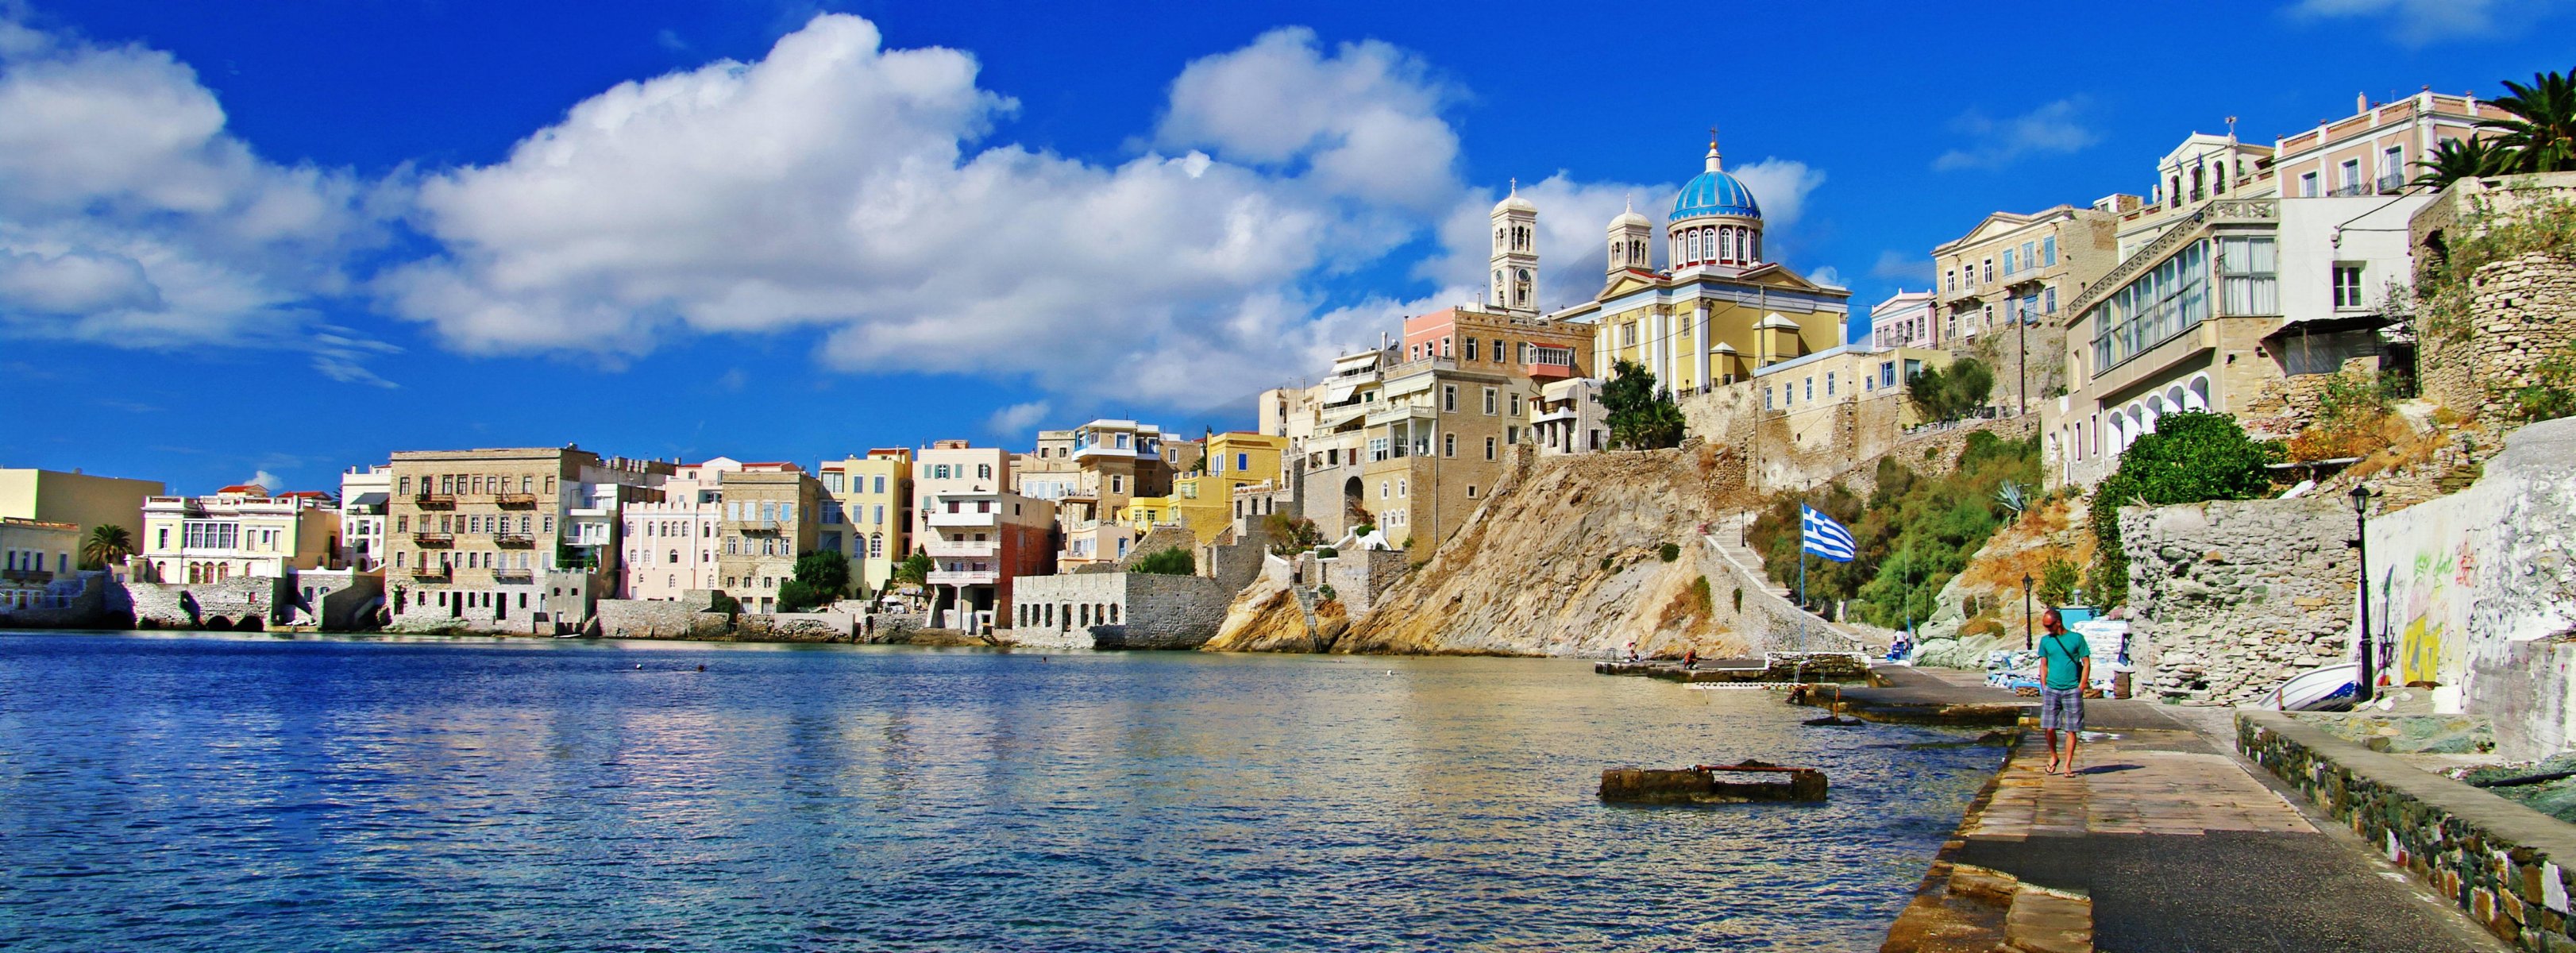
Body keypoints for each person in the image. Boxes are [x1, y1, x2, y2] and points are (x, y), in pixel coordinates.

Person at [2036, 608, 2089, 776]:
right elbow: (2043, 664)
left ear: (2058, 622)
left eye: (2049, 626)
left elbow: (2086, 662)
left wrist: (2082, 685)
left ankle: (2067, 766)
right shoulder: (2046, 641)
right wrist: (2043, 684)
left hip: (2072, 689)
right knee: (2049, 728)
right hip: (2052, 689)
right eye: (2045, 626)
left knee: (2071, 729)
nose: (2047, 629)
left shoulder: (2077, 639)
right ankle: (2054, 756)